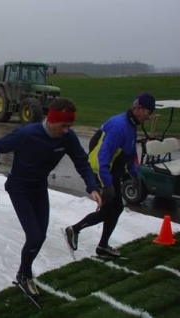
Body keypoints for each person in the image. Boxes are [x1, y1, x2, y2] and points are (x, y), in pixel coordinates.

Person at [0, 97, 102, 299]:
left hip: (39, 188)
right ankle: (24, 275)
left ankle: (23, 273)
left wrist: (92, 187)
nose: (66, 130)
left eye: (69, 126)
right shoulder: (27, 134)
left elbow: (81, 161)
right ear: (52, 120)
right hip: (19, 188)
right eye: (63, 126)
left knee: (40, 236)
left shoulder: (67, 137)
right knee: (34, 236)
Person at [65, 93, 156, 258]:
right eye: (148, 112)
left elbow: (129, 152)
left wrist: (134, 174)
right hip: (101, 171)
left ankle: (102, 246)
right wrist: (106, 184)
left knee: (116, 209)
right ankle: (74, 230)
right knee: (109, 210)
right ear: (138, 108)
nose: (149, 117)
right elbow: (102, 157)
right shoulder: (119, 126)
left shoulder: (131, 125)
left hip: (112, 172)